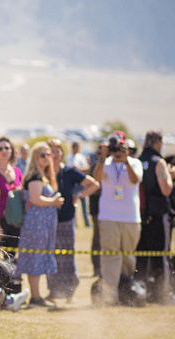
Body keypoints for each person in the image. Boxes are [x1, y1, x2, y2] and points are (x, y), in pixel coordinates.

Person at [93, 131, 143, 306]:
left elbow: (135, 180)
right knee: (109, 256)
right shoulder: (105, 163)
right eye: (115, 148)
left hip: (131, 218)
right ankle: (109, 295)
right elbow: (97, 179)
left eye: (121, 148)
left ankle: (126, 290)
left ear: (128, 148)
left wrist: (126, 160)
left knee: (128, 257)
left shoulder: (135, 162)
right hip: (108, 217)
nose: (118, 152)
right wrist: (102, 158)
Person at [47, 138, 99, 302]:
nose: (54, 154)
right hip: (48, 221)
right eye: (51, 151)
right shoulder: (43, 173)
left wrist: (79, 195)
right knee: (51, 256)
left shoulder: (69, 172)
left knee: (67, 257)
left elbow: (94, 184)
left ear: (62, 153)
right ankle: (53, 292)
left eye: (57, 150)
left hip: (67, 219)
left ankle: (69, 292)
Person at [15, 142, 63, 308]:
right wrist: (54, 201)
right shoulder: (34, 176)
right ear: (35, 157)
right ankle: (35, 297)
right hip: (36, 224)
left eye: (48, 155)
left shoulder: (44, 175)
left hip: (43, 223)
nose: (47, 158)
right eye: (42, 155)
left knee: (39, 257)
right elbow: (35, 198)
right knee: (34, 257)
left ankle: (37, 296)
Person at [135, 131, 175, 304]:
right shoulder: (159, 163)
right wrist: (171, 177)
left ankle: (139, 293)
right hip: (157, 216)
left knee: (141, 256)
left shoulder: (136, 161)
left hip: (139, 215)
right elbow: (166, 190)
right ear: (158, 143)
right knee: (160, 256)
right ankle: (160, 294)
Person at [0, 137, 23, 249]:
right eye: (0, 149)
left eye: (7, 148)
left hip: (15, 221)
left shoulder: (17, 172)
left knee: (11, 258)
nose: (4, 151)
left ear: (11, 151)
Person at [88, 140, 109, 277]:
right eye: (100, 149)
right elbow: (93, 185)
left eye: (105, 148)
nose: (102, 151)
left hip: (110, 209)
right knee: (98, 238)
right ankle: (97, 267)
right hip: (97, 209)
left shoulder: (113, 165)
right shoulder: (96, 166)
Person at [66, 141, 92, 227]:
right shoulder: (68, 157)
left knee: (84, 205)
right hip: (73, 184)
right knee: (73, 203)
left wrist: (77, 170)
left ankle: (86, 222)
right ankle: (74, 222)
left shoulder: (81, 157)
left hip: (81, 184)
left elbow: (87, 168)